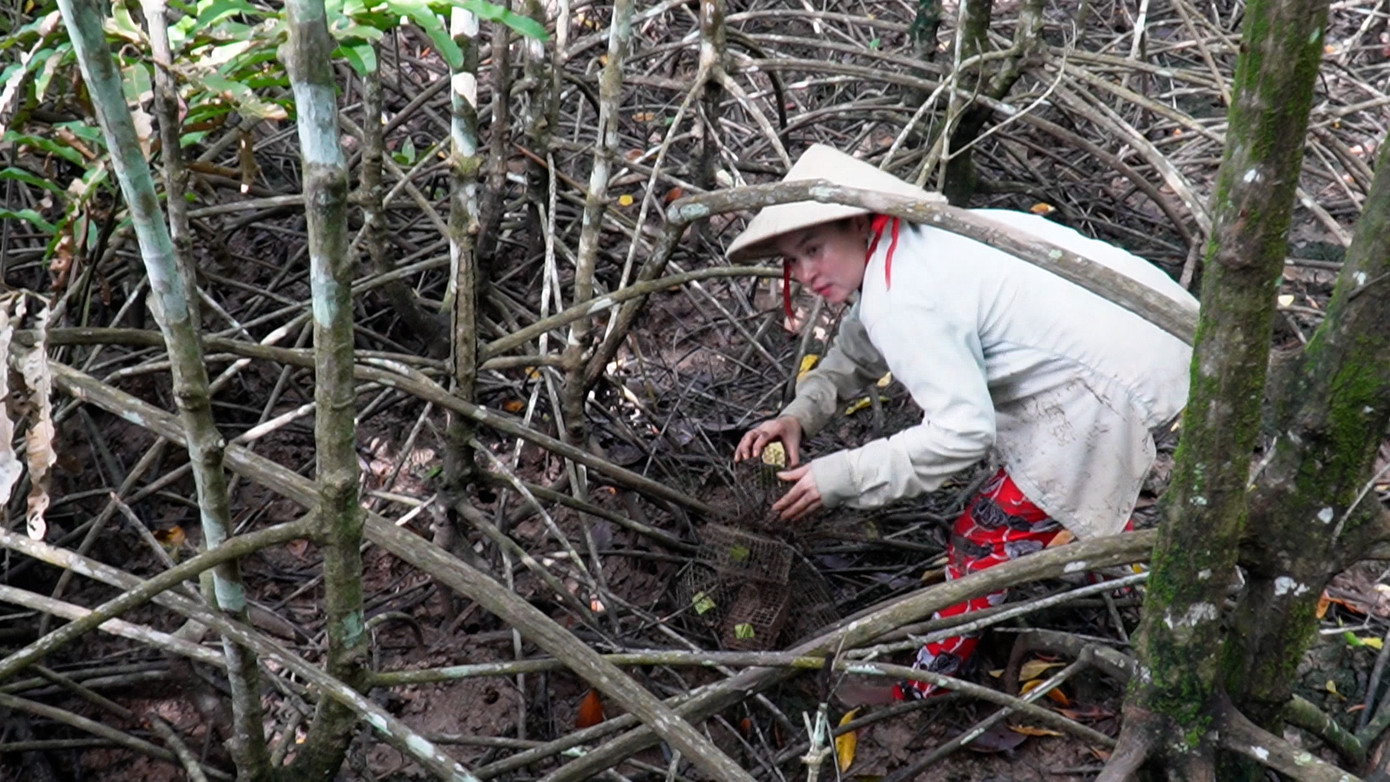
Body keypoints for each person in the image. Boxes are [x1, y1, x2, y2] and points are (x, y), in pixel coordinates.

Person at [729, 144, 1195, 700]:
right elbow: (863, 341)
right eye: (791, 259)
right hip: (1168, 331)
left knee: (982, 536)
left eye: (814, 249)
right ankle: (1116, 574)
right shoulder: (916, 238)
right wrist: (801, 414)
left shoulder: (901, 295)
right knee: (1047, 500)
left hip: (1115, 384)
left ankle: (929, 683)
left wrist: (840, 476)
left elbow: (963, 433)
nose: (806, 274)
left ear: (857, 222)